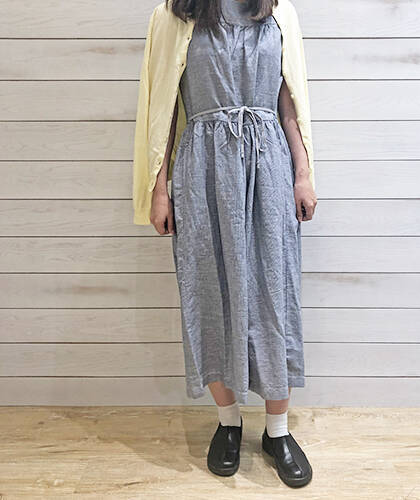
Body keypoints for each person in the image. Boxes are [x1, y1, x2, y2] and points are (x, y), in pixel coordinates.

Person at [133, 0, 317, 488]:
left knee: (274, 294)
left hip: (269, 165)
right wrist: (158, 189)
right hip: (202, 171)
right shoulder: (173, 16)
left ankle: (277, 431)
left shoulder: (278, 12)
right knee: (208, 291)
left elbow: (290, 101)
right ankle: (228, 422)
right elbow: (162, 108)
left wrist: (303, 173)